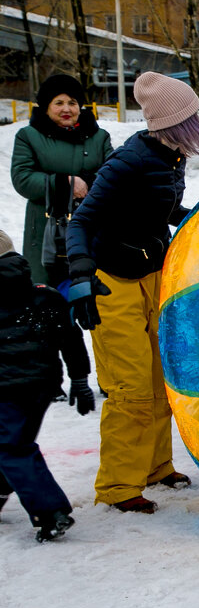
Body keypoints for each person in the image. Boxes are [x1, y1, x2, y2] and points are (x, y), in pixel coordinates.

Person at [64, 72, 199, 514]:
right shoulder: (126, 162)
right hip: (113, 283)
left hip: (153, 277)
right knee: (130, 389)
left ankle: (155, 466)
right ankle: (117, 486)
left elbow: (162, 208)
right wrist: (79, 275)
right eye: (192, 117)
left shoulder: (172, 156)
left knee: (158, 382)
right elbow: (82, 221)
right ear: (173, 121)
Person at [0, 230, 94, 542]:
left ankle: (51, 512)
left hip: (7, 388)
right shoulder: (44, 294)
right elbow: (70, 338)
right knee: (14, 441)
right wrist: (79, 379)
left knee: (12, 447)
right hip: (42, 386)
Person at [10, 73, 113, 287]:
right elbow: (22, 178)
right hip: (45, 231)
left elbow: (112, 175)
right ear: (46, 107)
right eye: (59, 103)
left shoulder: (99, 137)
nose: (66, 109)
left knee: (93, 291)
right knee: (49, 296)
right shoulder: (28, 136)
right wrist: (65, 184)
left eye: (72, 102)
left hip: (90, 226)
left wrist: (87, 183)